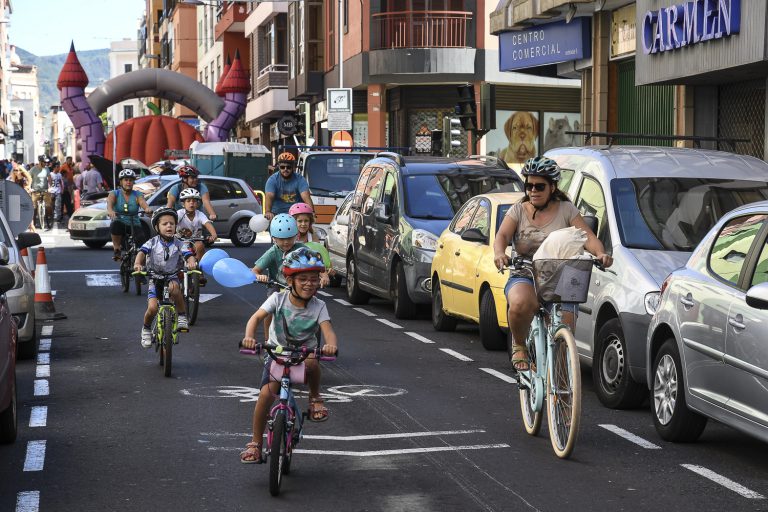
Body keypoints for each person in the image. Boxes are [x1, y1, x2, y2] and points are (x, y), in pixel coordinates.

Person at [493, 156, 613, 372]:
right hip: (525, 273)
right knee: (519, 303)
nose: (533, 191)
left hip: (560, 277)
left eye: (539, 186)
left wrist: (601, 253)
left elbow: (587, 237)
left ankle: (559, 380)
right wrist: (500, 253)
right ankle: (519, 345)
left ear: (552, 187)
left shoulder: (567, 210)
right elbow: (501, 236)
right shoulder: (518, 210)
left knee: (565, 326)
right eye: (529, 186)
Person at [239, 246, 339, 463]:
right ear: (290, 280)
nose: (309, 284)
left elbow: (328, 331)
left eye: (314, 279)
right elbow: (256, 318)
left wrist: (330, 345)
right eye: (302, 279)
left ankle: (315, 398)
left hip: (304, 353)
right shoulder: (278, 299)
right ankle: (255, 443)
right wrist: (249, 337)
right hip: (277, 352)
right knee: (266, 395)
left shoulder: (319, 306)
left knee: (313, 362)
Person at [134, 208, 198, 347]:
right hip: (155, 278)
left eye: (172, 223)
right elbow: (141, 252)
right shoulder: (152, 242)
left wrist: (191, 262)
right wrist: (138, 263)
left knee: (175, 289)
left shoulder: (179, 243)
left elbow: (188, 254)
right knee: (152, 308)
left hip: (172, 276)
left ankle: (182, 316)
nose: (169, 226)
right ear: (157, 227)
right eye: (164, 224)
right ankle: (146, 329)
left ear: (176, 226)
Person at [107, 169, 152, 261]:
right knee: (115, 225)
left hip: (134, 223)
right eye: (126, 180)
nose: (128, 182)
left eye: (130, 180)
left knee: (142, 245)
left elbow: (143, 202)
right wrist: (110, 211)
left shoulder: (137, 194)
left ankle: (139, 263)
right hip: (120, 222)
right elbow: (109, 204)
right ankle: (117, 249)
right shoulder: (114, 193)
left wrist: (147, 209)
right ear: (121, 182)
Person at [263, 152, 313, 220]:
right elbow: (269, 196)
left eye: (288, 167)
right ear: (279, 167)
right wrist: (268, 212)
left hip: (296, 214)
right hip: (277, 215)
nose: (285, 169)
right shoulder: (272, 180)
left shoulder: (300, 179)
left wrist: (312, 212)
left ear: (293, 167)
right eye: (282, 167)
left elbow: (306, 196)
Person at [175, 187, 217, 266]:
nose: (191, 203)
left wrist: (214, 234)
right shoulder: (179, 213)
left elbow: (207, 223)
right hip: (180, 241)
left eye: (194, 201)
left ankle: (198, 267)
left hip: (195, 241)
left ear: (197, 204)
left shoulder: (200, 214)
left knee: (200, 245)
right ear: (183, 204)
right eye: (188, 201)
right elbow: (173, 223)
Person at [30, 156, 51, 229]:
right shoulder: (33, 169)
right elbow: (29, 179)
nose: (46, 164)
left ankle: (49, 219)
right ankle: (33, 223)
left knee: (48, 206)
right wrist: (30, 188)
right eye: (44, 162)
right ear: (40, 162)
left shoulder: (46, 169)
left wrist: (50, 187)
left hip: (45, 190)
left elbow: (49, 178)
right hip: (35, 191)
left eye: (46, 162)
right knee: (34, 207)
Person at [49, 162, 65, 228]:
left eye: (59, 167)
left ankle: (58, 218)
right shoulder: (50, 174)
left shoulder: (59, 174)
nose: (58, 168)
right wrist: (49, 189)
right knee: (51, 205)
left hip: (58, 191)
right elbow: (49, 182)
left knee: (58, 205)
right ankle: (51, 216)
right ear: (54, 168)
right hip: (51, 191)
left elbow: (61, 182)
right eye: (57, 167)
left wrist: (62, 189)